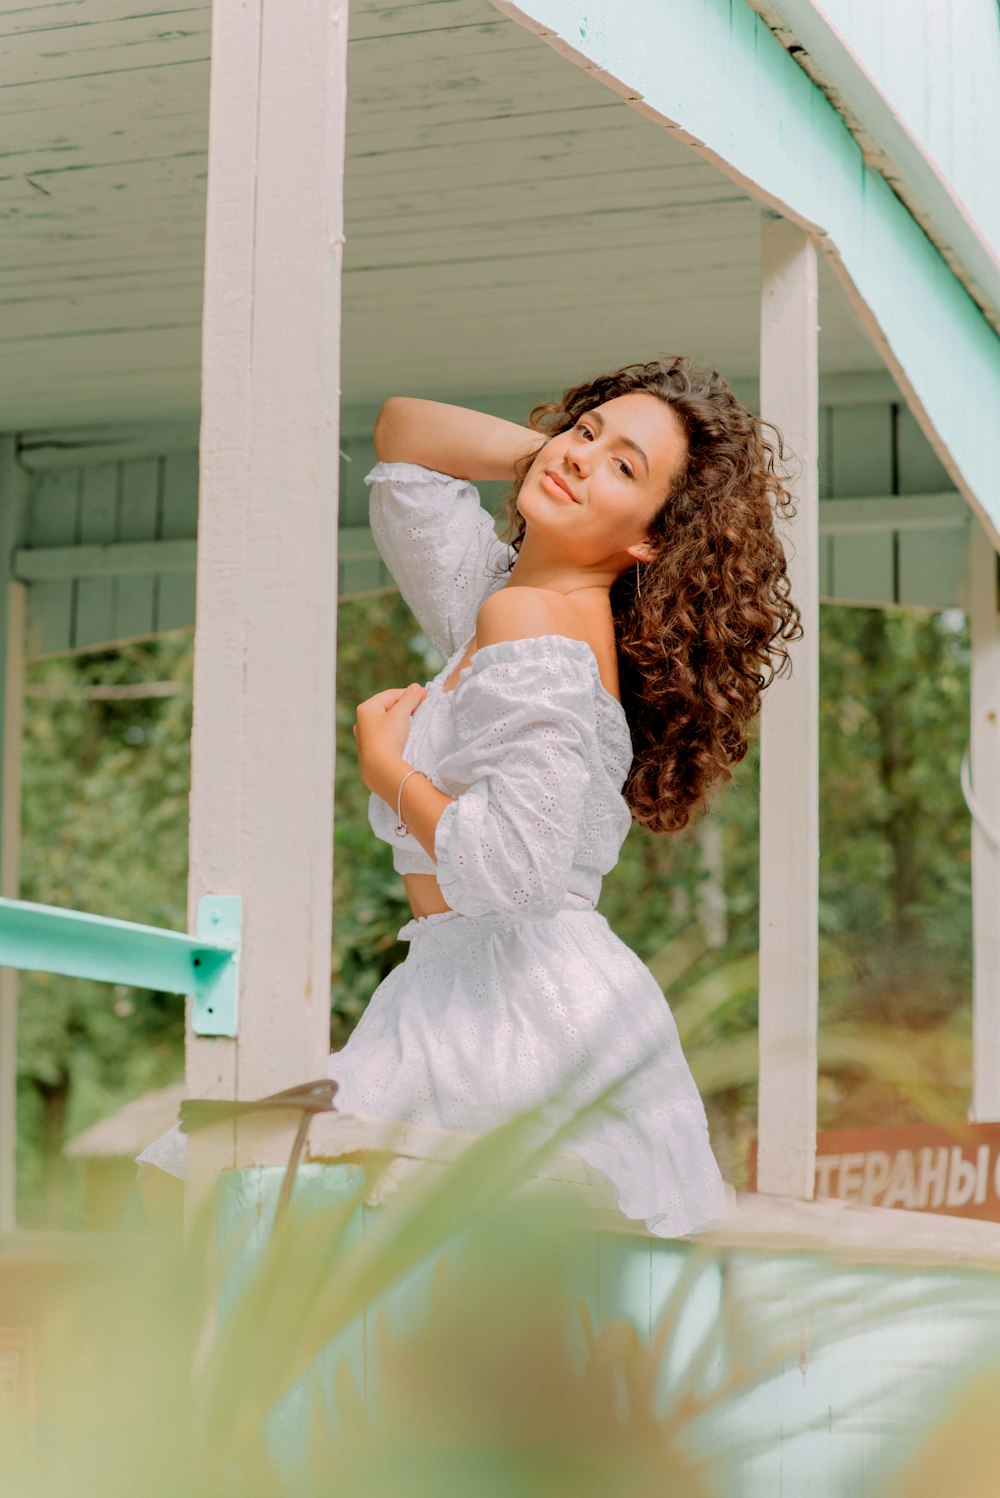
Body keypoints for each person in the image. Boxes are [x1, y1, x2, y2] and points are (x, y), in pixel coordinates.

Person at [137, 355, 801, 1239]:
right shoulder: (505, 601)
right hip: (462, 986)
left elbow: (515, 876)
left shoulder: (531, 626)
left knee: (229, 1194)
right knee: (233, 1192)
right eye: (587, 430)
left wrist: (390, 773)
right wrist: (559, 460)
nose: (581, 457)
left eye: (625, 468)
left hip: (515, 1011)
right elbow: (406, 439)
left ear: (649, 543)